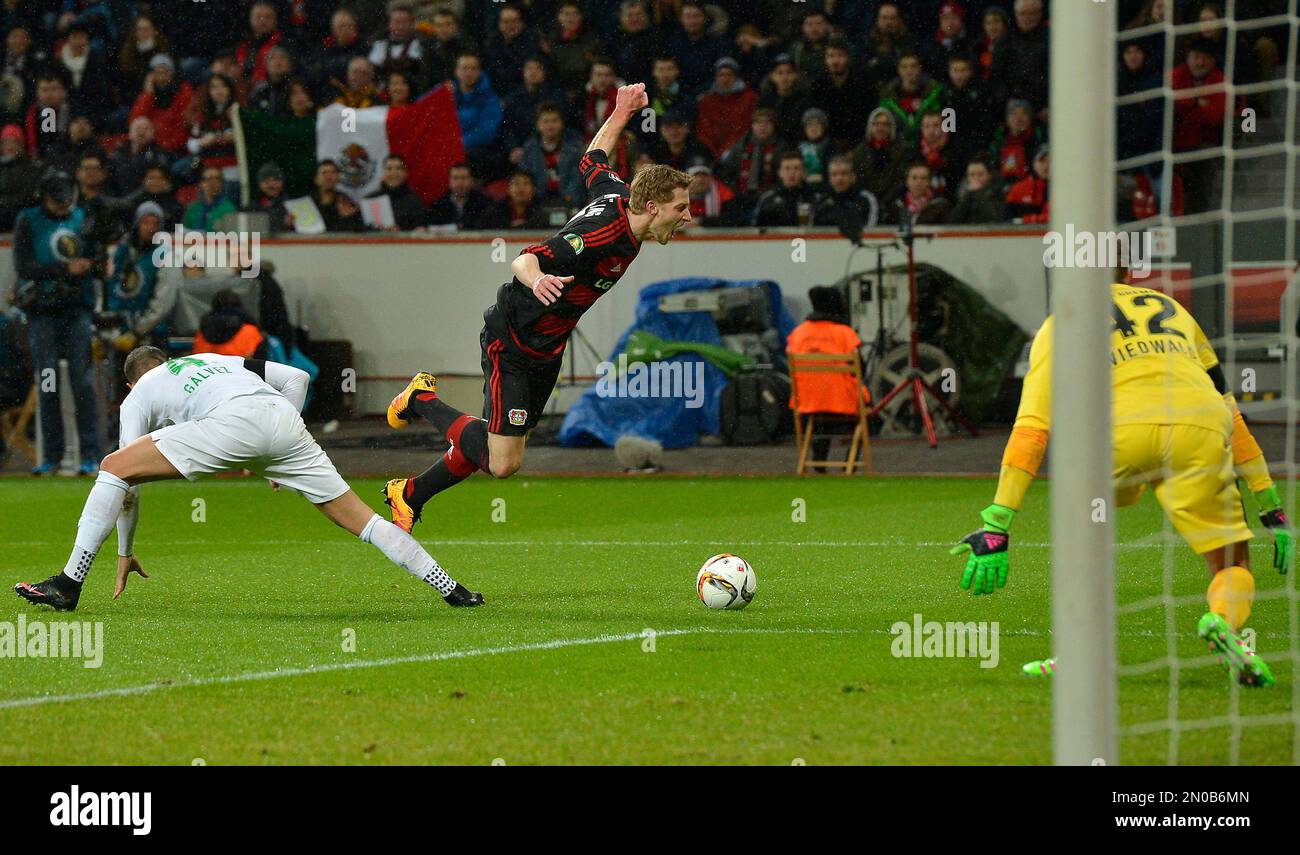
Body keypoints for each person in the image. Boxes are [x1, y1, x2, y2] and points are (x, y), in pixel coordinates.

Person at [381, 82, 692, 532]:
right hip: (513, 340)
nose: (686, 216)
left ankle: (409, 494)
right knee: (503, 462)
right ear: (650, 205)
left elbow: (592, 160)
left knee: (497, 449)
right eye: (680, 208)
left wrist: (622, 110)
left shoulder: (623, 198)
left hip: (546, 348)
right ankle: (421, 399)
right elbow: (526, 258)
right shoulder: (601, 236)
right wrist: (540, 278)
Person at [952, 281, 1292, 688]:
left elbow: (1032, 429)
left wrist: (998, 524)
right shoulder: (1171, 308)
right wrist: (1269, 501)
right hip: (1198, 427)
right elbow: (1230, 410)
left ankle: (1079, 655)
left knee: (1084, 537)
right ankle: (1222, 622)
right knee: (1233, 564)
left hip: (1116, 434)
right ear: (1127, 272)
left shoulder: (1060, 323)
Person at [14, 347, 483, 612]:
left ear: (132, 383)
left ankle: (69, 583)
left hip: (233, 424)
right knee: (358, 519)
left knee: (112, 468)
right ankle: (450, 588)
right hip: (283, 419)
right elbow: (298, 377)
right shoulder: (207, 359)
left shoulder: (138, 398)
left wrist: (124, 551)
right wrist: (277, 457)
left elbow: (126, 486)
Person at [12, 172, 100, 476]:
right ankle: (50, 455)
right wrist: (64, 269)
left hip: (76, 309)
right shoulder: (28, 220)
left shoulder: (83, 217)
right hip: (42, 311)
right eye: (57, 202)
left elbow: (98, 257)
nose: (65, 208)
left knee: (83, 383)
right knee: (47, 384)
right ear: (45, 198)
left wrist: (91, 265)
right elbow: (23, 267)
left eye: (67, 202)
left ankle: (91, 455)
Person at [786, 286, 868, 464]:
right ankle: (851, 461)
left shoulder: (798, 333)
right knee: (862, 406)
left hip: (806, 400)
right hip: (841, 400)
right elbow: (860, 368)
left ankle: (819, 453)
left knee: (822, 408)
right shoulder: (845, 333)